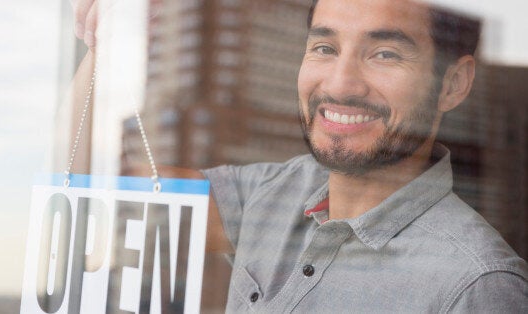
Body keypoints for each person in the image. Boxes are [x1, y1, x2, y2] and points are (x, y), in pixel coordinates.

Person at [71, 0, 527, 312]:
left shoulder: (478, 286)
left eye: (385, 54)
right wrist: (101, 45)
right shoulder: (268, 196)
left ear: (453, 84)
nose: (340, 84)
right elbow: (90, 189)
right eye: (325, 48)